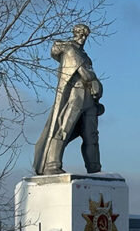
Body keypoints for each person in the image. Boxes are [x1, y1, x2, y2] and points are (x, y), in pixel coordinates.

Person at [33, 24, 103, 175]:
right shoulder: (71, 50)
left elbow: (91, 76)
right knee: (64, 128)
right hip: (75, 94)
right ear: (74, 33)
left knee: (91, 135)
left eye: (85, 35)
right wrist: (95, 82)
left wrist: (97, 87)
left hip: (89, 98)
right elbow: (84, 72)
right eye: (80, 34)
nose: (82, 37)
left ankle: (95, 168)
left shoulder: (84, 55)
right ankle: (52, 164)